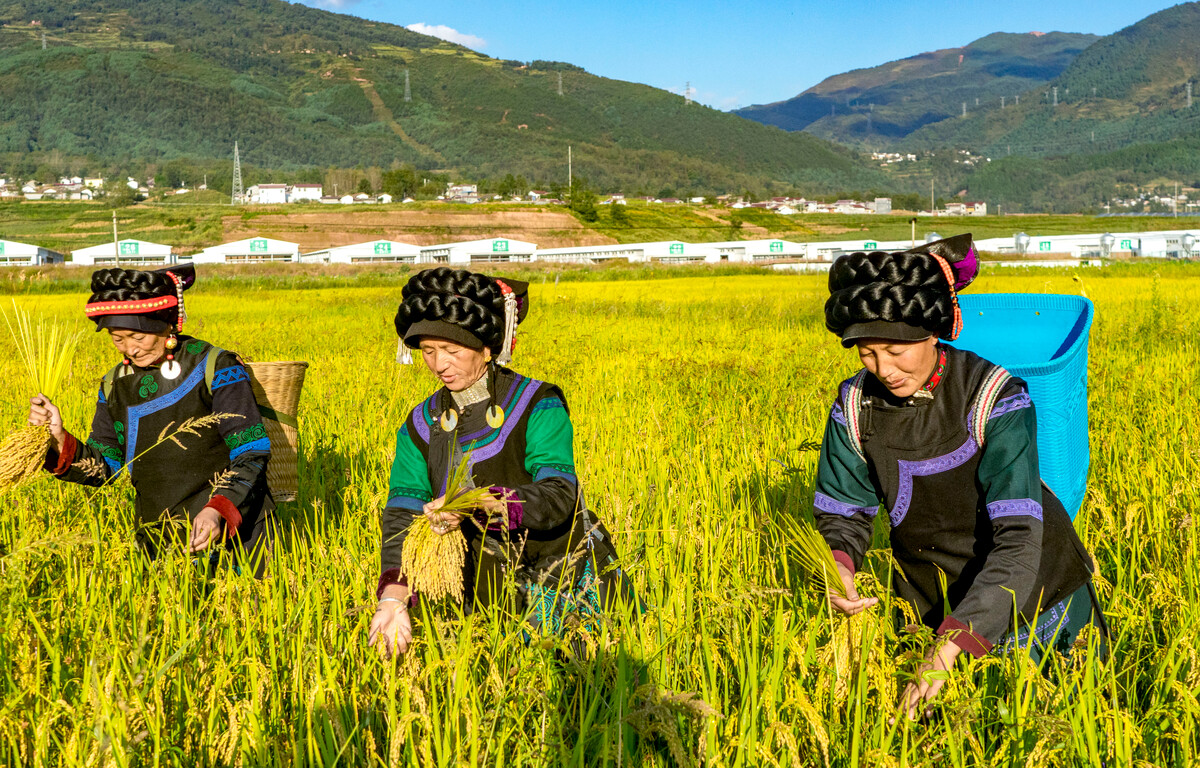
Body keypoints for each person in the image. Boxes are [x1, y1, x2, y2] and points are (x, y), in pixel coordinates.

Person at [812, 235, 1103, 719]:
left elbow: (1018, 536)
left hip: (1035, 591)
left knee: (1064, 725)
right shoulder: (855, 404)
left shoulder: (994, 397)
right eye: (866, 352)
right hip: (932, 599)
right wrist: (840, 565)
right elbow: (845, 508)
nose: (884, 369)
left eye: (895, 350)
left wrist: (951, 647)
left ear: (934, 332)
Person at [369, 267, 628, 656]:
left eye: (453, 351)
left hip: (556, 576)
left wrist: (480, 503)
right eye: (428, 351)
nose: (439, 364)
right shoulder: (420, 424)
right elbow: (402, 510)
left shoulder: (537, 404)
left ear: (488, 348)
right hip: (473, 587)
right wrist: (393, 596)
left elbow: (559, 493)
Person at [28, 264, 273, 572]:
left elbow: (250, 452)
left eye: (136, 337)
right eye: (118, 339)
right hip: (158, 542)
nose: (129, 349)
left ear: (166, 325)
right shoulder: (114, 385)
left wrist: (218, 510)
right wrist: (58, 437)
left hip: (234, 536)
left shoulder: (216, 366)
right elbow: (105, 467)